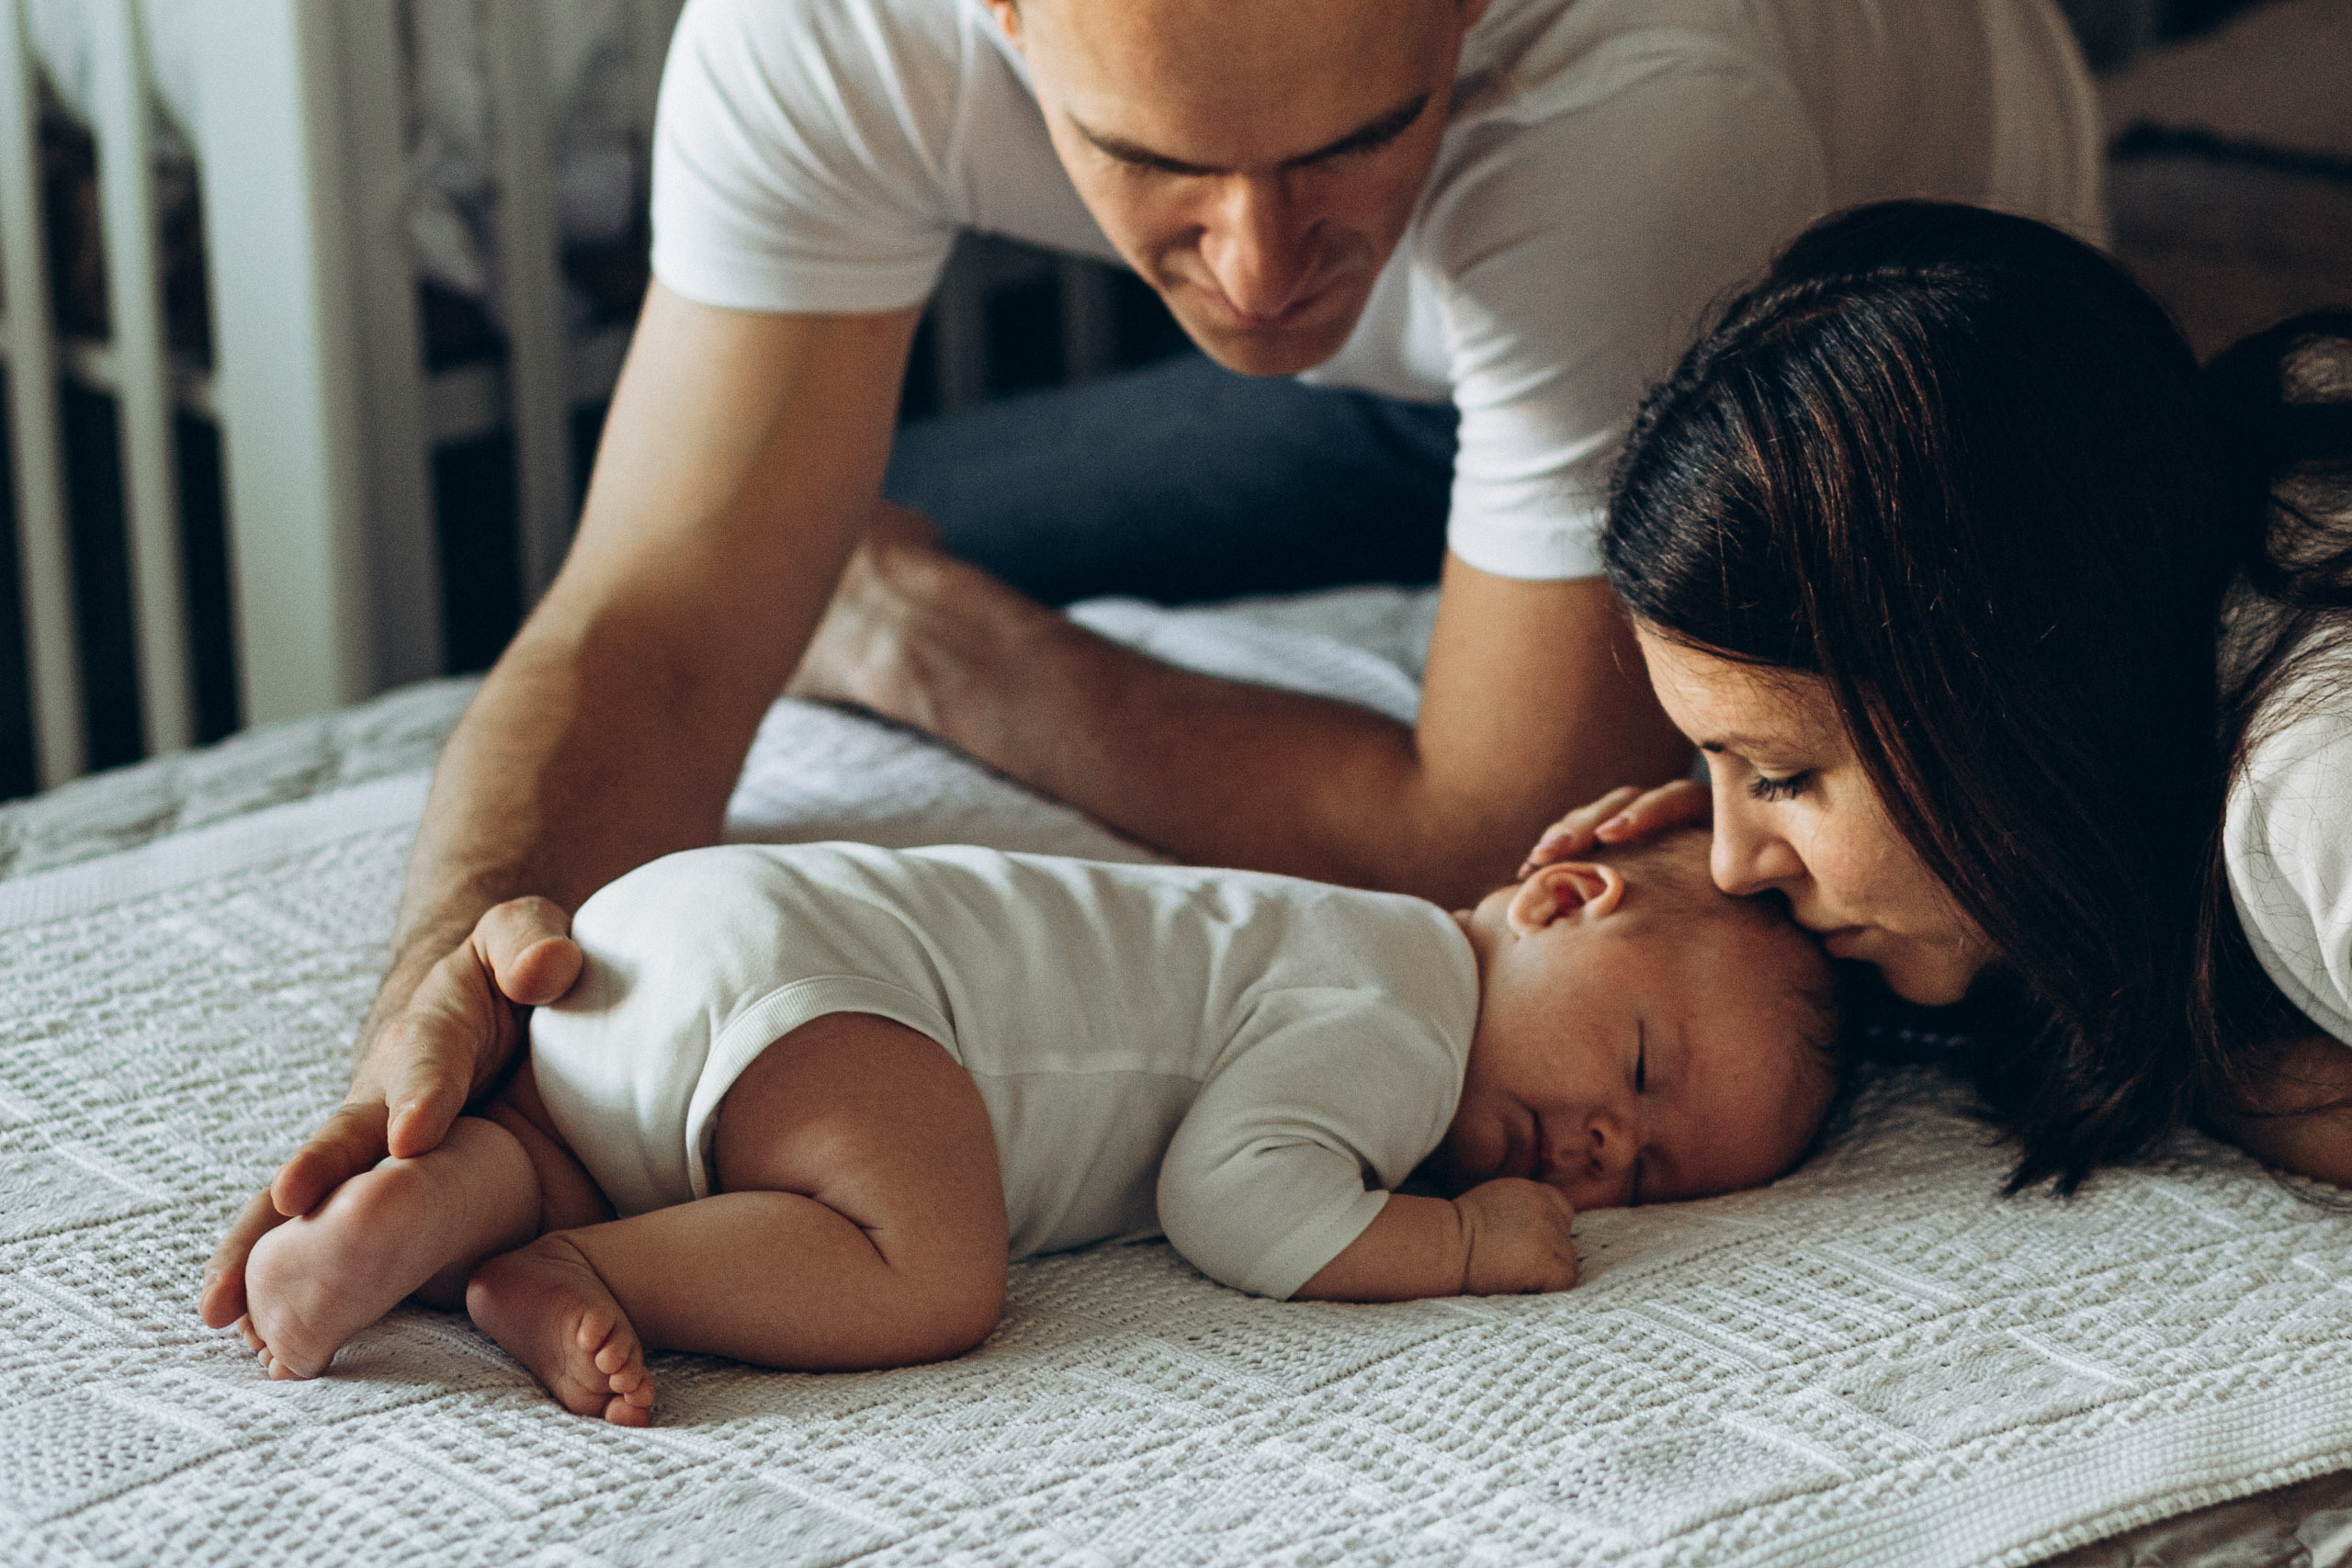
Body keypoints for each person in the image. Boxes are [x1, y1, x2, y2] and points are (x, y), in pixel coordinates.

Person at [198, 0, 2103, 1328]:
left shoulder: (1638, 98)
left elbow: (1471, 827)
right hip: (1424, 376)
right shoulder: (824, 31)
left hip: (1784, 409)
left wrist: (955, 654)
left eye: (1350, 141)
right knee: (859, 501)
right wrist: (448, 1012)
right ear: (999, 14)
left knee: (896, 559)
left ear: (1459, 13)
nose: (1261, 265)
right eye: (1156, 163)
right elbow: (664, 617)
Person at [232, 829, 1841, 1422]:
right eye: (1639, 1067)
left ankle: (411, 1226)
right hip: (843, 987)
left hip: (680, 923)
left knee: (594, 1122)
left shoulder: (1322, 934)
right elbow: (1237, 1198)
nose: (1605, 1150)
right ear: (1560, 895)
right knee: (931, 1265)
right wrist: (1465, 1242)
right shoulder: (1406, 1013)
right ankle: (579, 1261)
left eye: (1664, 1167)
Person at [1521, 199, 2352, 1191]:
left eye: (1781, 773)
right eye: (1715, 768)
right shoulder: (2257, 443)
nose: (1733, 864)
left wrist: (2241, 1067)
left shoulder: (2314, 799)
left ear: (2004, 696)